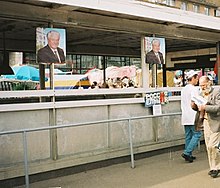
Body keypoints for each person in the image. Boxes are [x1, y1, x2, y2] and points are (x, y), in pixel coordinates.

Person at [195, 76, 220, 178]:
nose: (202, 87)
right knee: (208, 146)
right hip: (205, 122)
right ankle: (213, 168)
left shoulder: (217, 92)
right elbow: (198, 109)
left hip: (216, 122)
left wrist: (205, 107)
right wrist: (194, 105)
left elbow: (218, 107)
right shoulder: (201, 94)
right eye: (200, 86)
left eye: (204, 85)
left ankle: (217, 167)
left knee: (212, 145)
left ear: (209, 82)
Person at [181, 70, 201, 163]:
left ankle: (188, 155)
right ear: (192, 78)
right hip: (193, 115)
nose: (197, 80)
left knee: (188, 136)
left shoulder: (183, 89)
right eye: (196, 78)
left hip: (185, 116)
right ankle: (187, 152)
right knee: (197, 134)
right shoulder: (194, 89)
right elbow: (195, 101)